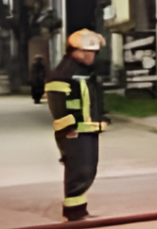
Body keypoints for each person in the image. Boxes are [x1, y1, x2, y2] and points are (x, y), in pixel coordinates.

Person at [45, 29, 111, 221]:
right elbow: (58, 106)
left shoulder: (85, 73)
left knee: (88, 169)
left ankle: (79, 210)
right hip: (74, 131)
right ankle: (74, 212)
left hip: (88, 129)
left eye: (92, 52)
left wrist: (101, 118)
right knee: (79, 170)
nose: (89, 56)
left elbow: (92, 100)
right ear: (72, 51)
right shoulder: (62, 74)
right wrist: (69, 128)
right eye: (85, 52)